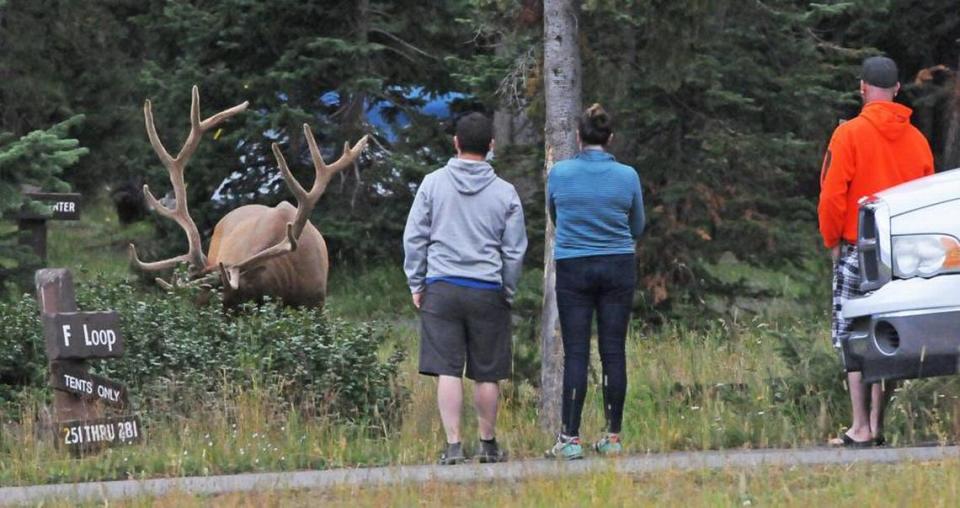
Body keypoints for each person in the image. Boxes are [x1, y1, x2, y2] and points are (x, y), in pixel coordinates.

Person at [818, 56, 934, 447]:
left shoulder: (848, 134)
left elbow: (833, 194)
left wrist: (831, 239)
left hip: (859, 248)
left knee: (853, 334)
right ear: (897, 90)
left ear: (862, 88)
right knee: (890, 334)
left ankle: (859, 427)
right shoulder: (917, 140)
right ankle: (877, 423)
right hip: (904, 253)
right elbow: (927, 198)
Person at [403, 112, 528, 465]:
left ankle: (454, 445)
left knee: (448, 369)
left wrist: (417, 281)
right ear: (491, 146)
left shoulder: (432, 184)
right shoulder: (506, 193)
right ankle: (488, 444)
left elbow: (415, 237)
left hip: (441, 287)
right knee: (487, 372)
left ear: (455, 143)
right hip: (488, 288)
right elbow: (514, 249)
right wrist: (508, 287)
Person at [545, 104, 645, 460]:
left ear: (578, 136)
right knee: (613, 350)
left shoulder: (559, 173)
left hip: (573, 263)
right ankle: (612, 436)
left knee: (576, 350)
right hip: (618, 263)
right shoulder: (628, 175)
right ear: (611, 138)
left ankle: (569, 438)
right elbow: (637, 225)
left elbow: (554, 215)